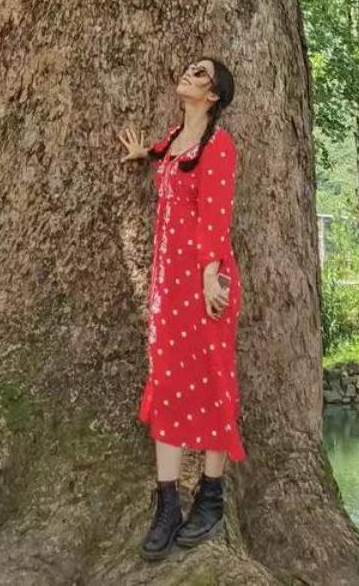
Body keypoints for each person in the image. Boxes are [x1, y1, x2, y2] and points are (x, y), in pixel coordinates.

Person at [119, 56, 244, 561]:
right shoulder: (174, 138)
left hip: (205, 283)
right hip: (168, 286)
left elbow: (215, 212)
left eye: (199, 75)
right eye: (190, 71)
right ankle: (168, 502)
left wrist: (211, 274)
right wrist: (143, 152)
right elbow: (167, 158)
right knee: (168, 381)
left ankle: (211, 496)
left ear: (212, 95)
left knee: (214, 380)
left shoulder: (220, 146)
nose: (187, 77)